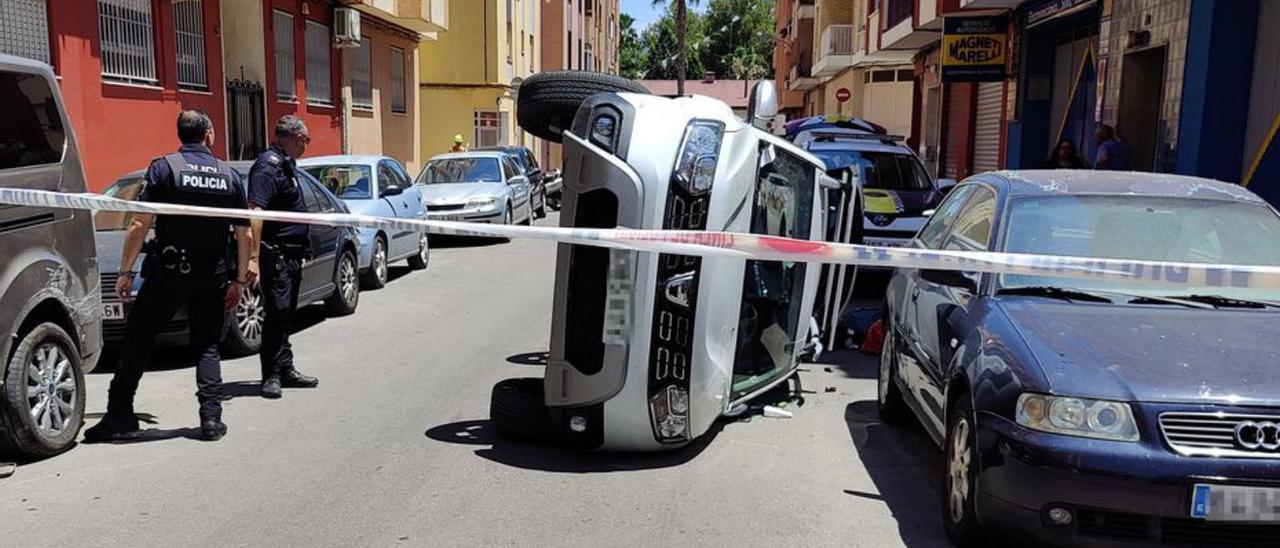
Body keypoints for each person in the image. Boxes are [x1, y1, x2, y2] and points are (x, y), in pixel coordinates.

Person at [84, 111, 252, 442]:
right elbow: (243, 233)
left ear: (181, 135)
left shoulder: (164, 168)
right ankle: (211, 420)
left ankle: (119, 416)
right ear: (208, 135)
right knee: (207, 346)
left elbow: (138, 223)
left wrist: (125, 272)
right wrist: (239, 279)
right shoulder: (229, 176)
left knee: (137, 340)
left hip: (169, 272)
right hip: (212, 273)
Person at [247, 115, 321, 399]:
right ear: (295, 138)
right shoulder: (268, 166)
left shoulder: (286, 164)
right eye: (306, 140)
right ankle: (271, 375)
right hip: (275, 254)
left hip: (292, 253)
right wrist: (253, 258)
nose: (307, 146)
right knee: (276, 313)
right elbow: (255, 212)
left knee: (286, 313)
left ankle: (285, 367)